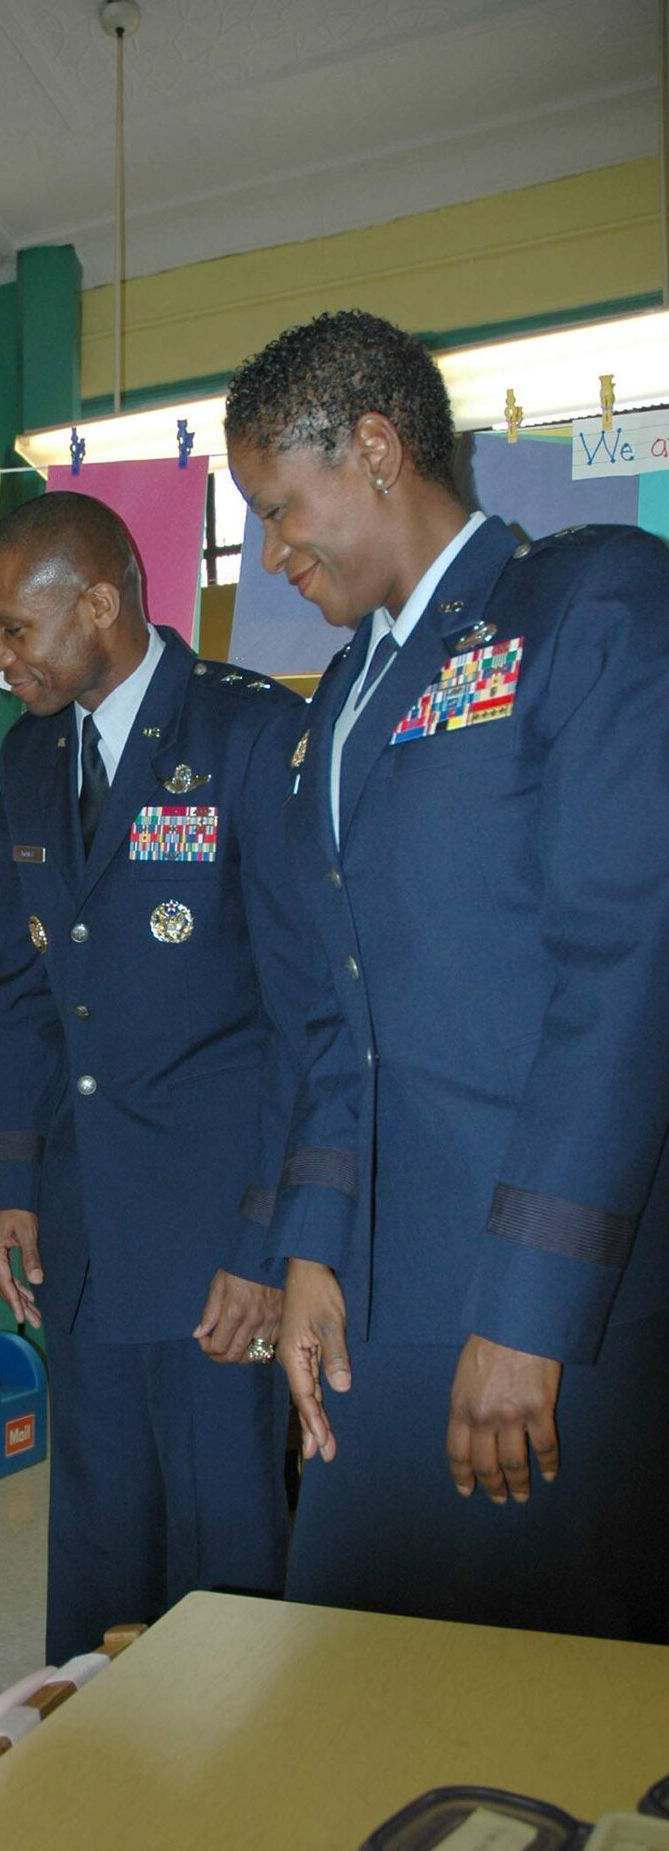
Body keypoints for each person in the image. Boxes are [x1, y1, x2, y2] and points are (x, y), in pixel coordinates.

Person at [225, 307, 669, 1639]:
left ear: (373, 448)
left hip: (546, 1291)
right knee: (357, 1666)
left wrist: (528, 1312)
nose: (270, 547)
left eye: (279, 503)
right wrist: (309, 1254)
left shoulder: (588, 604)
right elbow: (325, 1020)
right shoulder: (336, 706)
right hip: (374, 1293)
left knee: (547, 1720)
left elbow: (625, 968)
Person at [0, 490, 303, 1661]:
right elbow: (16, 991)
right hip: (83, 1224)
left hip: (221, 1231)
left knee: (225, 1537)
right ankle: (96, 1779)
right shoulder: (26, 759)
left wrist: (268, 1241)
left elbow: (302, 1013)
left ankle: (237, 1804)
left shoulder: (249, 734)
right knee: (101, 1535)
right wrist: (11, 1183)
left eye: (15, 628)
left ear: (101, 603)